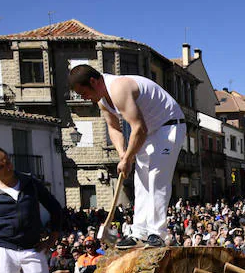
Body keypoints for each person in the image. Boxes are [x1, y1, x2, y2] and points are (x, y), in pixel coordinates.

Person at [69, 64, 184, 249]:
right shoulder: (102, 100)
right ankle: (139, 232)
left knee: (156, 177)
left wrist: (128, 159)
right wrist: (123, 155)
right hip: (149, 131)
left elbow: (139, 128)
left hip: (168, 126)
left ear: (93, 81)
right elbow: (114, 128)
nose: (84, 98)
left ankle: (157, 233)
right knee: (141, 181)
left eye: (84, 93)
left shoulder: (119, 88)